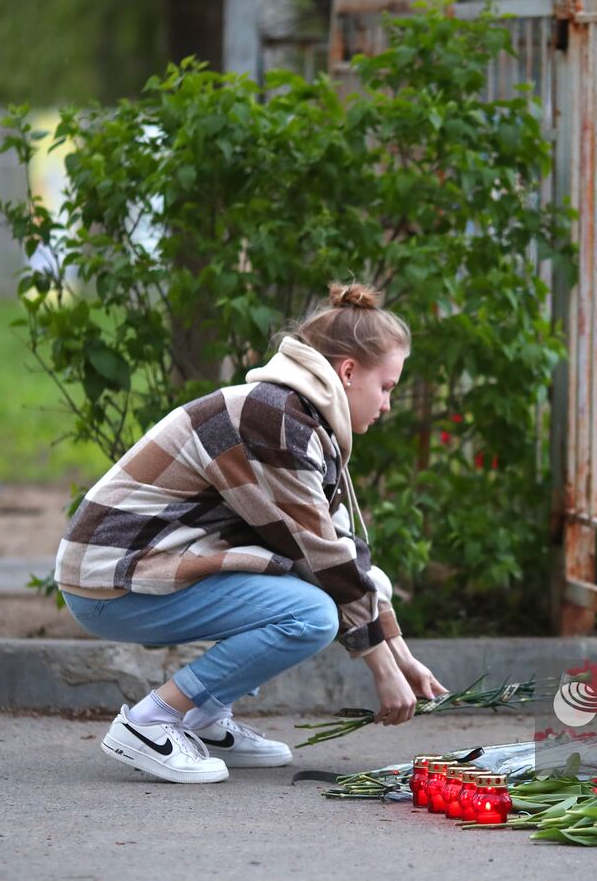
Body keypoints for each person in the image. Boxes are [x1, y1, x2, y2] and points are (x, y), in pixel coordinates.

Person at [54, 282, 446, 784]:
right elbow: (324, 561)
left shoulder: (301, 421)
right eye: (387, 386)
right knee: (311, 614)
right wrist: (381, 668)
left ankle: (206, 719)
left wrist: (401, 654)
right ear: (348, 372)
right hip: (110, 583)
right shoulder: (275, 422)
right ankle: (150, 722)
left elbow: (348, 558)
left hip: (142, 571)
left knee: (356, 588)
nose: (388, 404)